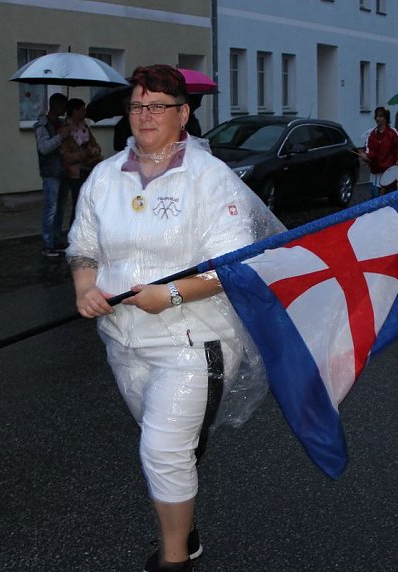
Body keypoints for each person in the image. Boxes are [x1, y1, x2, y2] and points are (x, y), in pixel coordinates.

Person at [66, 64, 283, 572]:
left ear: (183, 114)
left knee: (162, 450)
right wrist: (85, 287)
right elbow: (83, 247)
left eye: (158, 105)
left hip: (195, 338)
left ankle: (174, 560)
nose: (145, 116)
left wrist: (174, 295)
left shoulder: (210, 178)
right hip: (123, 339)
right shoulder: (104, 177)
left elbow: (235, 268)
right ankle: (184, 524)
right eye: (138, 105)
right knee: (164, 445)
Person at [34, 92, 71, 256]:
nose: (65, 109)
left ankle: (56, 239)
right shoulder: (43, 125)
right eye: (63, 105)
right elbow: (44, 148)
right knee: (51, 209)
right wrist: (59, 137)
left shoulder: (61, 123)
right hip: (51, 171)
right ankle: (48, 243)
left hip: (63, 170)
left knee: (60, 208)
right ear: (55, 105)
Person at [59, 98, 102, 228]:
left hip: (89, 168)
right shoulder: (65, 130)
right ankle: (73, 234)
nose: (84, 112)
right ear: (74, 111)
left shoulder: (85, 127)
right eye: (82, 109)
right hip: (75, 172)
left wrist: (93, 151)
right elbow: (65, 156)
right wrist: (83, 154)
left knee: (88, 203)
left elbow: (96, 146)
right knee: (78, 202)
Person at [362, 106, 398, 198]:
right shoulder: (372, 134)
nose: (378, 119)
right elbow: (370, 150)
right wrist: (366, 156)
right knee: (375, 199)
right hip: (375, 173)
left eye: (381, 116)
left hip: (389, 173)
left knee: (388, 201)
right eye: (377, 116)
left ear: (386, 118)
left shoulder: (393, 133)